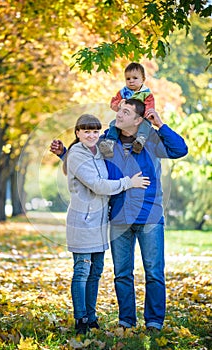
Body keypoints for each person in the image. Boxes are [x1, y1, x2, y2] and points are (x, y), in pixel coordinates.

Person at [50, 100, 188, 333]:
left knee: (154, 272)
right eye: (120, 110)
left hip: (149, 216)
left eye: (126, 112)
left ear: (138, 120)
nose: (119, 114)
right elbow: (88, 167)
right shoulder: (107, 141)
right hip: (119, 217)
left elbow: (179, 150)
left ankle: (154, 321)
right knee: (122, 273)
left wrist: (161, 125)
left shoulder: (151, 140)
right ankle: (126, 320)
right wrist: (65, 154)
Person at [52, 114, 150, 335]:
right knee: (82, 271)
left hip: (99, 221)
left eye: (95, 131)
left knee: (96, 272)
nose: (92, 135)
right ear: (77, 133)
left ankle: (92, 316)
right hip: (83, 221)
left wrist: (61, 154)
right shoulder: (77, 153)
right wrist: (129, 183)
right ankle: (81, 319)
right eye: (86, 131)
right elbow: (96, 184)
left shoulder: (98, 151)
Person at [99, 62, 155, 157]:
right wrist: (119, 105)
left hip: (140, 117)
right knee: (113, 124)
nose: (131, 81)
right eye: (128, 79)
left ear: (143, 79)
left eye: (135, 78)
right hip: (126, 118)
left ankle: (140, 140)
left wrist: (144, 114)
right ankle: (110, 142)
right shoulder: (123, 92)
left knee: (146, 124)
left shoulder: (146, 93)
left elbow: (149, 106)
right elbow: (113, 103)